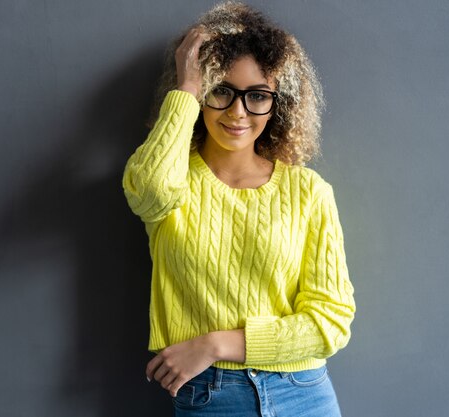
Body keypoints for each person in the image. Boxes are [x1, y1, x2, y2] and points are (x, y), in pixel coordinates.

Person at [122, 2, 355, 416]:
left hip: (303, 392)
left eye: (257, 96)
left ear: (277, 102)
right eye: (222, 90)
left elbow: (331, 322)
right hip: (211, 396)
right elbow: (150, 190)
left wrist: (217, 344)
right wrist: (187, 89)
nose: (238, 111)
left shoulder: (308, 191)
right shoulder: (171, 180)